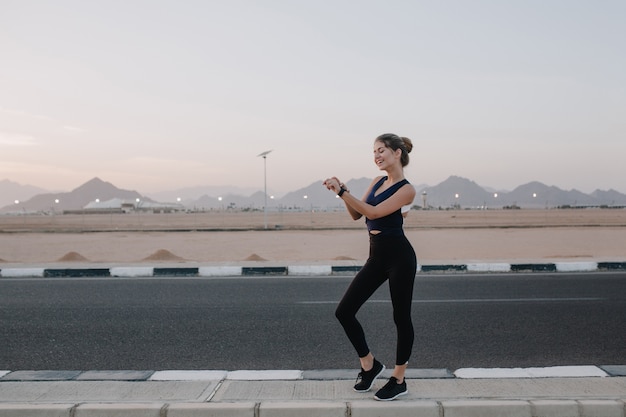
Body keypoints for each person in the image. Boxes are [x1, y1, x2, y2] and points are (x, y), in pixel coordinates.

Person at [323, 133, 417, 401]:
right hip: (376, 257)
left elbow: (375, 213)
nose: (376, 156)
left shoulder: (406, 189)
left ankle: (399, 378)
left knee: (401, 317)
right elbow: (357, 214)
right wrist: (342, 192)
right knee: (344, 311)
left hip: (400, 257)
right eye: (374, 151)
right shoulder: (377, 182)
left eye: (381, 150)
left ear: (397, 153)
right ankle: (370, 364)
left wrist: (343, 192)